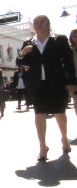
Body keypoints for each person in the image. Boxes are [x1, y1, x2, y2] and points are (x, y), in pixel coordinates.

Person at [16, 15, 77, 162]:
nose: (38, 24)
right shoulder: (28, 43)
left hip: (57, 82)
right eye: (36, 22)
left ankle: (64, 138)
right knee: (39, 114)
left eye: (42, 21)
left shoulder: (60, 39)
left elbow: (69, 62)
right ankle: (43, 146)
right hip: (36, 84)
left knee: (59, 112)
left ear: (48, 24)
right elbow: (20, 63)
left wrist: (72, 81)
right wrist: (22, 54)